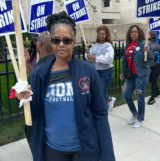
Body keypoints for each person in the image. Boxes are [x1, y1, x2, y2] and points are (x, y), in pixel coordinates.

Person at [17, 11, 115, 161]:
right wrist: (23, 97)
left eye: (66, 40)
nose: (61, 44)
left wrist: (108, 155)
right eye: (56, 40)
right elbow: (34, 113)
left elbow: (100, 114)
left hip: (84, 148)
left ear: (74, 41)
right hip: (53, 149)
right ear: (51, 42)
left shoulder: (88, 71)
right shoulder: (40, 74)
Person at [24, 31, 55, 154]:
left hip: (41, 123)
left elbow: (29, 99)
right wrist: (27, 64)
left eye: (36, 39)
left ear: (39, 44)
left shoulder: (38, 72)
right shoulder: (60, 64)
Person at [119, 25, 153, 128]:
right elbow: (125, 59)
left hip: (141, 76)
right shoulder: (128, 44)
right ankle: (134, 113)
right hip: (130, 75)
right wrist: (122, 72)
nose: (133, 33)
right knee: (126, 95)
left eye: (135, 32)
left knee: (139, 96)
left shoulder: (143, 44)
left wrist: (148, 51)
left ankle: (140, 118)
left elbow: (151, 58)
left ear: (139, 34)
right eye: (132, 32)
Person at [85, 25, 116, 111]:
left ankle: (102, 109)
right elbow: (88, 57)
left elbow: (108, 60)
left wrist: (94, 58)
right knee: (98, 91)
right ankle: (110, 99)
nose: (101, 35)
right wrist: (87, 54)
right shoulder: (95, 45)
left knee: (101, 91)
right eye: (99, 34)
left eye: (103, 34)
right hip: (96, 71)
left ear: (106, 35)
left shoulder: (108, 46)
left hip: (106, 72)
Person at [147, 31, 160, 105]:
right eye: (151, 32)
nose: (152, 33)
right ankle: (157, 91)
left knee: (154, 79)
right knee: (150, 79)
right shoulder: (147, 41)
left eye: (154, 32)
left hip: (157, 62)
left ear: (157, 33)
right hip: (149, 63)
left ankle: (152, 97)